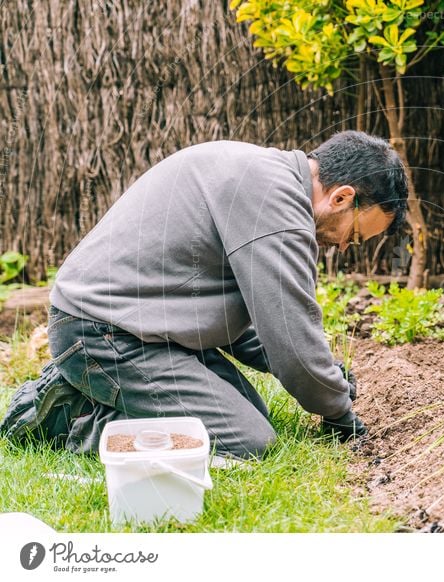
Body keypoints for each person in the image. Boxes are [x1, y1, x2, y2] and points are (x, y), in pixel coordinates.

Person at [0, 131, 409, 460]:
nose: (342, 245)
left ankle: (89, 389)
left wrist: (324, 377)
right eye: (353, 234)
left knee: (250, 415)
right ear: (341, 197)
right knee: (249, 441)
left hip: (139, 327)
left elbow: (246, 318)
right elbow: (290, 337)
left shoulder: (263, 179)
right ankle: (62, 415)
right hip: (101, 334)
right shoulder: (275, 203)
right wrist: (336, 406)